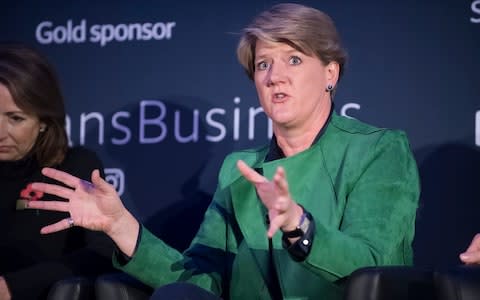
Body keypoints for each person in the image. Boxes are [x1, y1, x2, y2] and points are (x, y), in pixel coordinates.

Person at [27, 3, 420, 299]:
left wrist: (299, 225)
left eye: (294, 59)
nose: (275, 76)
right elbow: (200, 280)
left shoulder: (378, 150)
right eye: (263, 64)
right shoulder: (240, 169)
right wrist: (119, 226)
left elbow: (375, 267)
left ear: (330, 73)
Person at [0, 43, 114, 300]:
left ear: (43, 120)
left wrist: (12, 287)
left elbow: (101, 254)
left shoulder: (74, 166)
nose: (0, 133)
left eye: (15, 118)